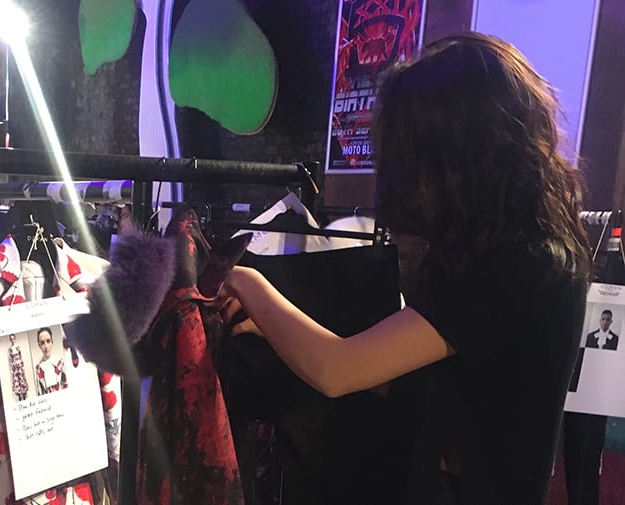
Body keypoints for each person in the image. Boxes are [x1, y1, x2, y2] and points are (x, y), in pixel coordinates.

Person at [221, 33, 591, 503]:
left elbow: (340, 369)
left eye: (419, 157)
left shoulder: (521, 263)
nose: (412, 180)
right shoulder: (515, 250)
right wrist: (276, 329)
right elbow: (398, 378)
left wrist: (242, 278)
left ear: (462, 152)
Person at [35, 327, 67, 395]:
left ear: (52, 342)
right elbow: (40, 393)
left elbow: (66, 385)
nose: (46, 346)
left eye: (48, 341)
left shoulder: (60, 361)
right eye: (42, 343)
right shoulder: (38, 368)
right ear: (39, 346)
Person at [8, 334, 30, 401]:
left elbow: (21, 356)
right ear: (10, 340)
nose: (12, 340)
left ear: (15, 339)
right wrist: (12, 368)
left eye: (13, 338)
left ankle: (24, 393)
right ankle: (19, 395)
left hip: (19, 365)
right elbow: (10, 359)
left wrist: (22, 366)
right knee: (16, 380)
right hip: (15, 367)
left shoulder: (17, 346)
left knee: (22, 379)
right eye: (11, 339)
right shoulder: (10, 349)